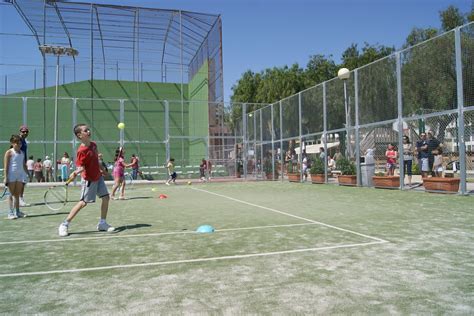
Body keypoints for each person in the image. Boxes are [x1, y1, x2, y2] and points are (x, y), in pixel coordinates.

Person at [58, 123, 115, 237]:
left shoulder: (93, 145)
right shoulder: (81, 151)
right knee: (83, 203)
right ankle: (64, 224)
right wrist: (75, 173)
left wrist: (102, 169)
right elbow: (81, 167)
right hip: (89, 180)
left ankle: (102, 223)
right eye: (85, 130)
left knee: (106, 197)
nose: (88, 131)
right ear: (79, 135)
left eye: (88, 129)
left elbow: (96, 160)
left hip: (98, 177)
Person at [3, 135, 29, 219]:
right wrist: (6, 177)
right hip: (11, 175)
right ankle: (10, 213)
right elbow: (6, 166)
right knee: (10, 194)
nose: (19, 144)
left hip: (20, 175)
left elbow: (23, 165)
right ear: (12, 143)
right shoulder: (9, 152)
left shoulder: (22, 153)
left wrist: (28, 173)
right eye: (17, 143)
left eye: (20, 143)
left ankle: (17, 212)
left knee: (17, 195)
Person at [18, 125, 30, 206]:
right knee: (20, 182)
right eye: (23, 131)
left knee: (22, 182)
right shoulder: (18, 140)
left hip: (23, 164)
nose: (25, 133)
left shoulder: (24, 140)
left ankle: (20, 198)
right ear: (20, 132)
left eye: (26, 131)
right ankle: (19, 199)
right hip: (18, 164)